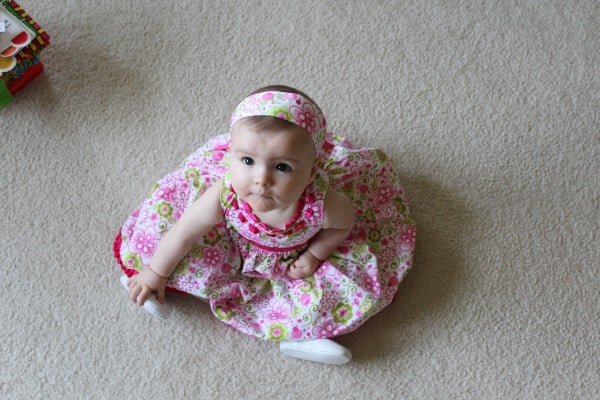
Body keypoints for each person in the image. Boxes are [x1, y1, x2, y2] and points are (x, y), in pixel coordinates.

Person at [113, 85, 416, 364]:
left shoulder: (323, 205)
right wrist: (156, 271)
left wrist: (314, 255)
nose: (261, 179)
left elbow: (342, 227)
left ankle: (306, 338)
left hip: (291, 258)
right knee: (167, 236)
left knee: (330, 293)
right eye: (247, 161)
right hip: (231, 243)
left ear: (311, 174)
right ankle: (146, 280)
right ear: (232, 156)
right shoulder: (224, 195)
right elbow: (183, 233)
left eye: (281, 167)